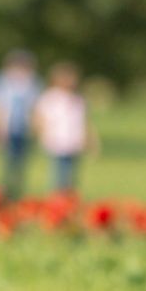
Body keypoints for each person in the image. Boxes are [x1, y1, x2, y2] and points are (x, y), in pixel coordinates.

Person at [0, 51, 40, 200]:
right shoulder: (0, 82)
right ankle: (5, 191)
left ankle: (16, 191)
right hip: (5, 128)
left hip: (23, 128)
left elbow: (35, 108)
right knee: (7, 160)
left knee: (21, 162)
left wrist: (37, 128)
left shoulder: (32, 83)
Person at [32, 62, 96, 194]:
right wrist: (42, 134)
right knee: (59, 173)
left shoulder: (77, 99)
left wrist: (89, 139)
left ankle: (68, 198)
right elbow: (39, 118)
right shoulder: (50, 98)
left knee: (71, 174)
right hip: (56, 141)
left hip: (73, 141)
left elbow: (83, 121)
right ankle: (57, 198)